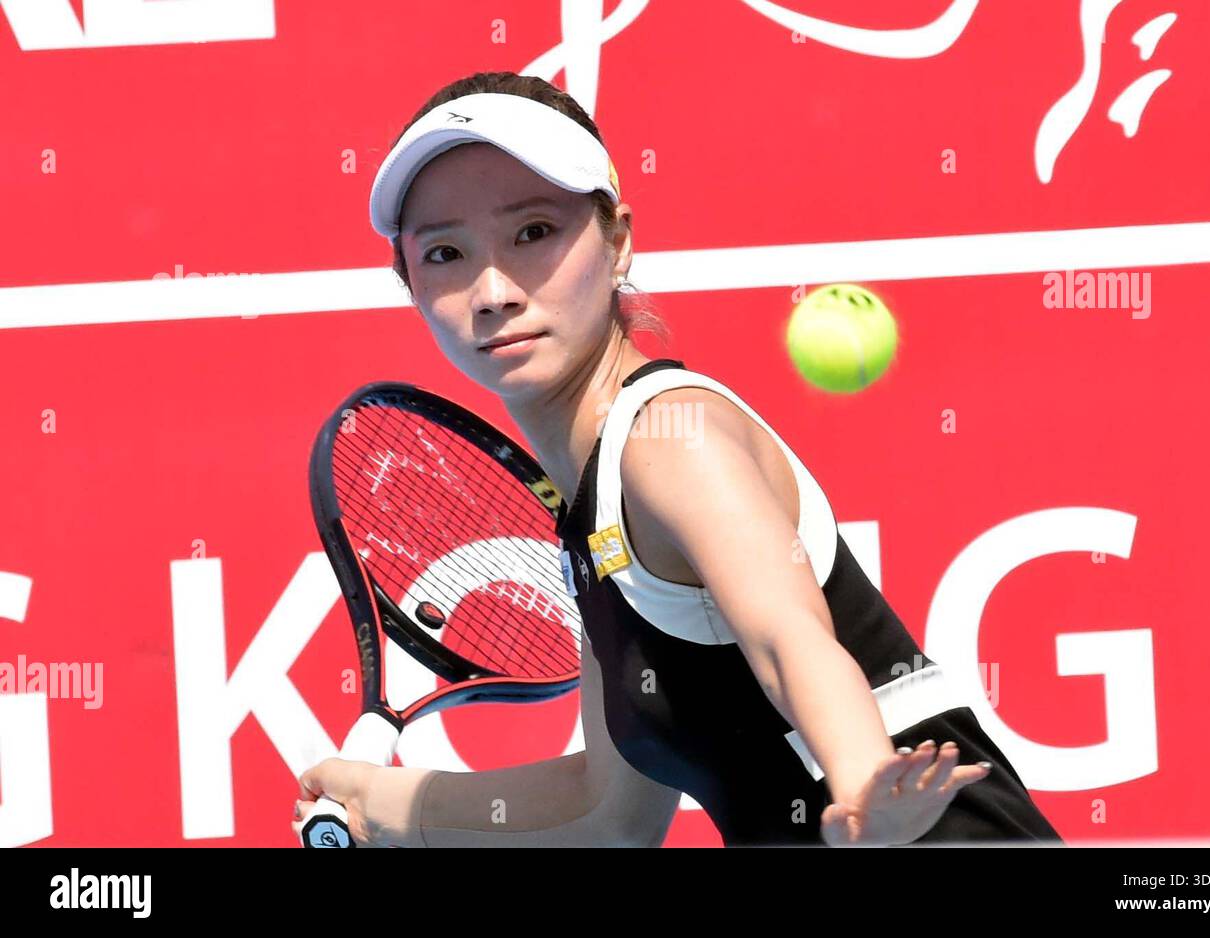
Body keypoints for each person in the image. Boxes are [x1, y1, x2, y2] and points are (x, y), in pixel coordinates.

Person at [294, 70, 1063, 848]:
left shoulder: (670, 436)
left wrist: (863, 783)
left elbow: (787, 639)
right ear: (410, 284)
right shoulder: (589, 523)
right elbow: (609, 816)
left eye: (533, 233)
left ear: (619, 239)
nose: (493, 291)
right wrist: (379, 805)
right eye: (447, 252)